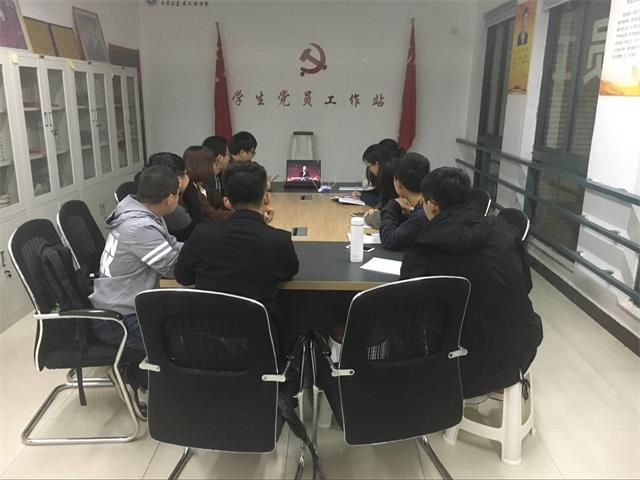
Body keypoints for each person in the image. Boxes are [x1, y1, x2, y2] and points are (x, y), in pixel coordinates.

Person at [400, 167, 543, 399]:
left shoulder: (424, 245)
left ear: (432, 205)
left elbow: (407, 302)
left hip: (459, 362)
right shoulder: (503, 230)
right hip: (518, 349)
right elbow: (525, 285)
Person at [175, 161, 299, 351]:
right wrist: (263, 228)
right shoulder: (278, 240)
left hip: (205, 342)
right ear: (266, 198)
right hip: (258, 343)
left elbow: (183, 277)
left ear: (227, 202)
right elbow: (289, 271)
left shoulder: (202, 234)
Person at [90, 166, 183, 412]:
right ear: (170, 198)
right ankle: (136, 380)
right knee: (174, 343)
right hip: (119, 319)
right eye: (178, 194)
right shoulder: (139, 227)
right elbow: (173, 269)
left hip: (122, 304)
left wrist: (202, 247)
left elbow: (171, 246)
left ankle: (136, 373)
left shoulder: (141, 211)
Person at [379, 152, 430, 250]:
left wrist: (393, 205)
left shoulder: (422, 213)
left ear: (398, 184)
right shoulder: (428, 203)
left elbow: (389, 240)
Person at [145, 152, 195, 241]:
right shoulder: (174, 211)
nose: (187, 177)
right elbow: (195, 235)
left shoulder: (146, 196)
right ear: (178, 180)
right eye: (185, 173)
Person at [183, 145, 232, 221]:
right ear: (201, 166)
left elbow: (221, 202)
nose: (216, 165)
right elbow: (213, 215)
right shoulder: (190, 191)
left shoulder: (205, 188)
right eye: (213, 163)